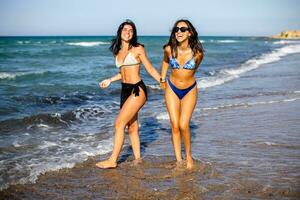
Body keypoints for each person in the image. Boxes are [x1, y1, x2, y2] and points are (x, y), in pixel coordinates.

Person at [96, 20, 160, 169]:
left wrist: (163, 81)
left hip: (137, 89)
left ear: (133, 34)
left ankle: (112, 160)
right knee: (132, 127)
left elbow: (150, 69)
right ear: (120, 32)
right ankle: (138, 159)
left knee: (119, 124)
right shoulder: (117, 51)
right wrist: (110, 80)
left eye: (131, 30)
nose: (128, 32)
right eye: (125, 29)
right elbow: (123, 72)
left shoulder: (138, 49)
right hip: (124, 91)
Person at [160, 19, 204, 169]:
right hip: (172, 88)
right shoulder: (169, 49)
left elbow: (194, 69)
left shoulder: (198, 53)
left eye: (183, 29)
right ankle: (179, 160)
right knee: (174, 125)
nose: (179, 32)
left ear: (190, 33)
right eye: (176, 29)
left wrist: (185, 77)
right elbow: (166, 61)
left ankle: (189, 157)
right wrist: (162, 78)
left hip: (189, 89)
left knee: (184, 124)